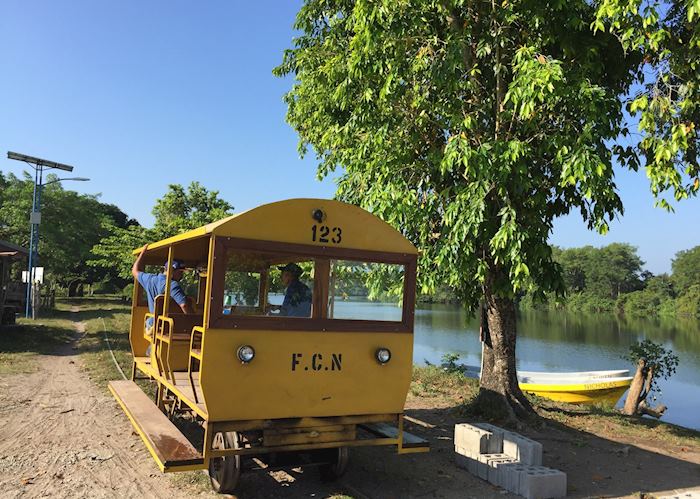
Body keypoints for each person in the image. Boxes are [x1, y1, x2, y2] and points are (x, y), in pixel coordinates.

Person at [131, 244, 192, 335]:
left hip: (153, 324)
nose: (181, 276)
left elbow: (134, 271)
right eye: (180, 272)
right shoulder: (172, 285)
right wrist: (192, 320)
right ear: (172, 270)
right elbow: (184, 305)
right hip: (169, 326)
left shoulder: (150, 279)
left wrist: (142, 253)